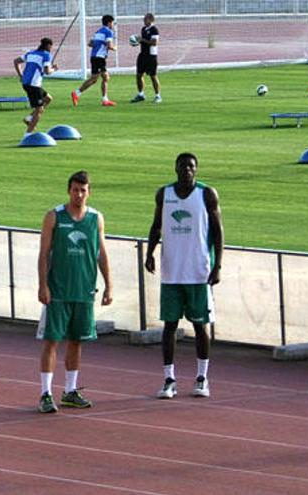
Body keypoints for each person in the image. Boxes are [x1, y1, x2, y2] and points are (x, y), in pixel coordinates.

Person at [145, 152, 224, 399]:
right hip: (171, 271)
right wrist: (149, 253)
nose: (186, 170)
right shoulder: (164, 194)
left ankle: (202, 378)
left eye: (191, 167)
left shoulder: (206, 194)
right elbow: (156, 225)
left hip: (198, 272)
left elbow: (218, 230)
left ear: (196, 170)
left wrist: (218, 265)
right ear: (175, 168)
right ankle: (169, 379)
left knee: (201, 326)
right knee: (169, 326)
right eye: (182, 166)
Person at [36, 171, 112, 413]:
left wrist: (109, 285)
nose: (79, 194)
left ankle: (70, 390)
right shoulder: (54, 216)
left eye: (83, 190)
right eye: (75, 190)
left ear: (89, 192)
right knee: (52, 341)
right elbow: (44, 253)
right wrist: (42, 284)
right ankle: (45, 394)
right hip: (58, 290)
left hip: (84, 290)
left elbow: (101, 253)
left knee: (77, 341)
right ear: (68, 191)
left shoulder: (96, 219)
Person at [13, 38, 58, 135]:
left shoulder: (31, 53)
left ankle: (29, 118)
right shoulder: (46, 55)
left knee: (48, 99)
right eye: (51, 46)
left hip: (26, 83)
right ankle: (28, 135)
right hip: (34, 85)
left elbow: (16, 61)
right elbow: (47, 71)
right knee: (39, 109)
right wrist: (54, 69)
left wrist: (21, 76)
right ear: (48, 46)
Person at [71, 15, 116, 107]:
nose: (113, 25)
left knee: (105, 77)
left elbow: (90, 44)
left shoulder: (98, 31)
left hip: (95, 56)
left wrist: (100, 44)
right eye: (112, 23)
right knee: (94, 79)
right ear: (109, 23)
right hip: (99, 57)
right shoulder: (109, 32)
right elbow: (109, 45)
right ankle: (77, 93)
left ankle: (105, 100)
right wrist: (115, 48)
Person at [130, 13, 161, 104]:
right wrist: (136, 42)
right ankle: (141, 94)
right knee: (139, 75)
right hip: (142, 55)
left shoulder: (154, 30)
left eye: (145, 19)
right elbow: (143, 41)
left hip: (151, 56)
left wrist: (142, 40)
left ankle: (158, 96)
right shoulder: (143, 29)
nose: (143, 20)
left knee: (153, 76)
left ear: (150, 20)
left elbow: (154, 43)